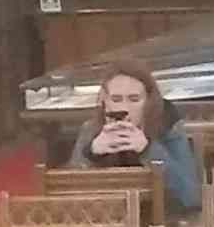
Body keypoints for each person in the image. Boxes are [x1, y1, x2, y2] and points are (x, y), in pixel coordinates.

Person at [70, 64, 205, 218]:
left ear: (148, 102)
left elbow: (191, 197)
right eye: (116, 99)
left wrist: (148, 150)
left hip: (162, 221)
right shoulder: (92, 129)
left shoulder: (167, 126)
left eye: (134, 100)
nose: (124, 108)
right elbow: (68, 195)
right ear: (104, 102)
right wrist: (91, 153)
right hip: (106, 220)